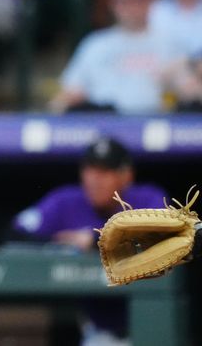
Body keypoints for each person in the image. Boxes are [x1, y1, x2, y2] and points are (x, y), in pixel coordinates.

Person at [11, 136, 166, 345]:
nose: (95, 179)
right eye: (90, 169)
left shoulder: (147, 198)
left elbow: (163, 235)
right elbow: (15, 234)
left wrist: (94, 240)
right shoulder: (66, 201)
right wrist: (55, 243)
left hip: (151, 327)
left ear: (126, 176)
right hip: (99, 332)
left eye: (105, 171)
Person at [49, 0, 176, 114]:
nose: (132, 6)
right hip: (102, 127)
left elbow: (188, 92)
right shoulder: (94, 45)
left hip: (158, 129)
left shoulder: (171, 44)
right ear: (113, 2)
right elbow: (67, 95)